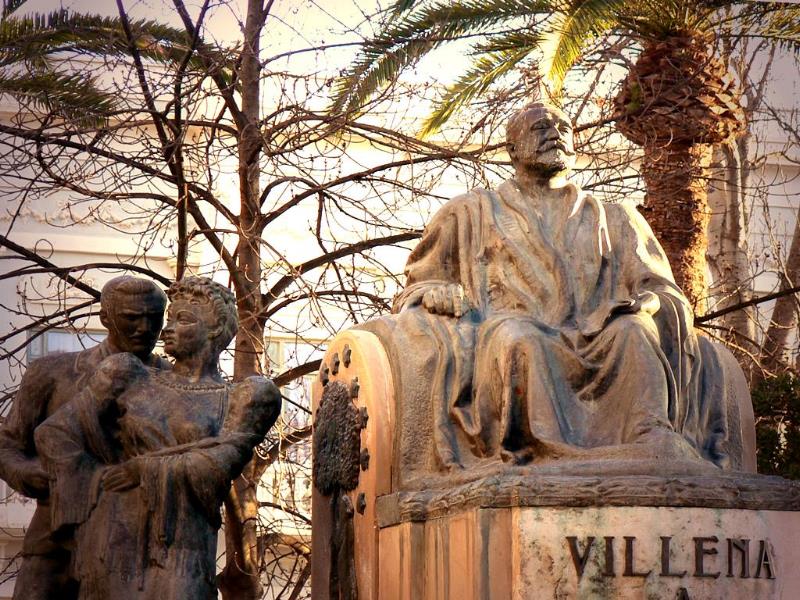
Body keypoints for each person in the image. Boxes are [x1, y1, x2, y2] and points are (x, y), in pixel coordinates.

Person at [361, 102, 754, 486]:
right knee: (521, 339)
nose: (555, 134)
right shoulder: (470, 212)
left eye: (563, 128)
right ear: (512, 149)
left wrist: (650, 303)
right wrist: (438, 293)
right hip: (510, 330)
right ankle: (540, 451)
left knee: (634, 331)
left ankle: (650, 436)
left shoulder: (615, 217)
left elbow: (660, 286)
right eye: (540, 128)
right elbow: (422, 281)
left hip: (597, 333)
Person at [35, 276, 281, 600]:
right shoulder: (127, 375)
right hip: (114, 537)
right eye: (169, 319)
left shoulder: (243, 397)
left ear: (215, 328)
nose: (166, 330)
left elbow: (215, 467)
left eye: (183, 320)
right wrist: (95, 483)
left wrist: (141, 469)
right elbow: (54, 433)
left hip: (184, 549)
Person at [0, 275, 168, 600]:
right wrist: (26, 472)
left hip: (139, 546)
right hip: (56, 540)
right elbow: (8, 443)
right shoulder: (51, 372)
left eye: (154, 318)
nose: (145, 328)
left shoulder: (175, 383)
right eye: (132, 318)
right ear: (105, 317)